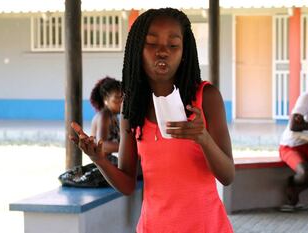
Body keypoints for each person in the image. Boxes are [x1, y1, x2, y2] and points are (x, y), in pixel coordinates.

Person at [70, 8, 234, 233]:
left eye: (173, 44)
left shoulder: (206, 98)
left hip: (207, 227)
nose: (163, 51)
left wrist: (203, 139)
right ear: (137, 50)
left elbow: (227, 176)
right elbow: (127, 184)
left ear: (184, 52)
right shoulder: (133, 106)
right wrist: (99, 159)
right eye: (151, 43)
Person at [279, 91, 308, 212]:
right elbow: (294, 125)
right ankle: (291, 182)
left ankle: (295, 191)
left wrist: (306, 124)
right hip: (290, 145)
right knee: (306, 173)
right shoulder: (307, 98)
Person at [89, 77, 122, 162]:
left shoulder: (113, 116)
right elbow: (102, 145)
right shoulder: (104, 115)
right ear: (106, 100)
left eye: (123, 98)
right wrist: (131, 147)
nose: (121, 102)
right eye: (117, 98)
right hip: (102, 165)